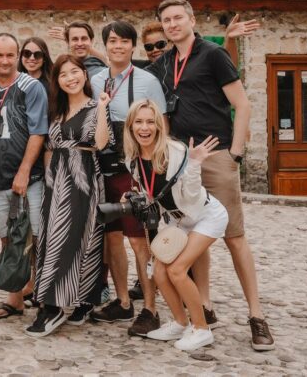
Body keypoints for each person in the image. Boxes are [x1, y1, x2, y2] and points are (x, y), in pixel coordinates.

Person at [148, 0, 275, 351]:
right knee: (192, 232)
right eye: (167, 21)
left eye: (178, 18)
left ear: (190, 19)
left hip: (216, 155)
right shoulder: (164, 62)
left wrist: (235, 153)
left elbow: (242, 104)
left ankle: (256, 315)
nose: (172, 25)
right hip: (183, 160)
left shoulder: (213, 54)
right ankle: (203, 305)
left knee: (234, 236)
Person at [122, 99, 229, 352]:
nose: (144, 127)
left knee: (177, 270)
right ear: (130, 126)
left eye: (150, 121)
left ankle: (202, 329)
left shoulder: (176, 152)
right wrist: (132, 197)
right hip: (178, 221)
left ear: (159, 126)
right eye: (138, 122)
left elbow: (191, 197)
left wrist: (193, 164)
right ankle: (180, 323)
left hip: (205, 215)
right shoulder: (133, 159)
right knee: (159, 272)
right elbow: (154, 196)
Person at [88, 20, 168, 336]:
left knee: (138, 241)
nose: (118, 46)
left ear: (132, 46)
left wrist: (156, 174)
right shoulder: (94, 81)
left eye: (124, 41)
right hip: (102, 169)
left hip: (134, 171)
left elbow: (162, 128)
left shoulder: (147, 81)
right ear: (105, 45)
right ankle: (123, 302)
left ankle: (150, 308)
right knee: (112, 240)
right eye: (112, 41)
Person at [26, 55, 111, 337]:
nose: (70, 78)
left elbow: (100, 143)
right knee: (53, 238)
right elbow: (49, 147)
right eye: (63, 74)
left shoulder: (94, 105)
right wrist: (51, 180)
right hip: (56, 179)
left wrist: (101, 109)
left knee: (75, 237)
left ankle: (54, 305)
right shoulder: (56, 110)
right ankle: (79, 300)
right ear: (57, 81)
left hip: (83, 176)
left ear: (84, 75)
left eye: (75, 72)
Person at [0, 33, 49, 321]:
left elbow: (38, 131)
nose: (5, 61)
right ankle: (16, 298)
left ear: (17, 55)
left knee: (35, 237)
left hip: (28, 176)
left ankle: (45, 297)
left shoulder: (30, 87)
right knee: (8, 238)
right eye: (0, 55)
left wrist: (23, 171)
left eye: (11, 55)